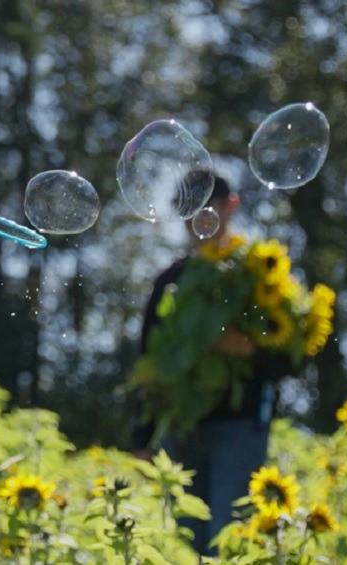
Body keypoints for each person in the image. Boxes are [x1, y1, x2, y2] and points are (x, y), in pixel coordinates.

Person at [135, 171, 291, 553]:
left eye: (205, 209)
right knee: (185, 543)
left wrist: (249, 350)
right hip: (181, 428)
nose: (196, 221)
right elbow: (149, 362)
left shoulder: (257, 275)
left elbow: (290, 357)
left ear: (231, 206)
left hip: (240, 425)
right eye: (187, 212)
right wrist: (143, 435)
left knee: (229, 539)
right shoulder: (171, 282)